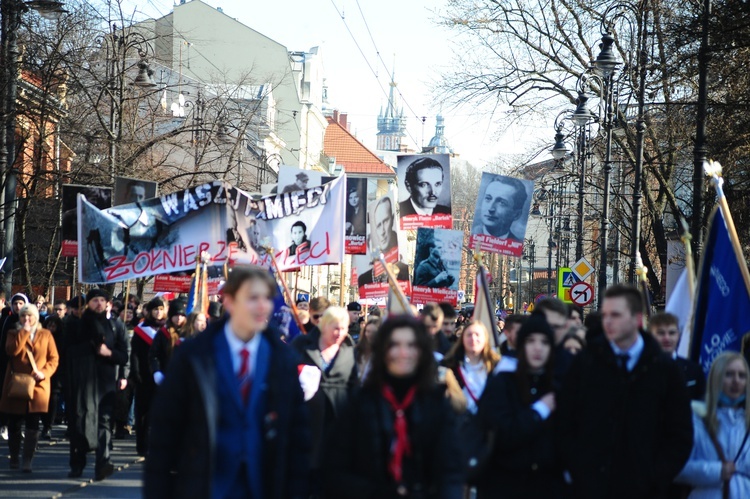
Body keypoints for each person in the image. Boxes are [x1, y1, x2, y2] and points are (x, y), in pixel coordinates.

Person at [144, 266, 311, 498]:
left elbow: (297, 438)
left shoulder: (282, 359)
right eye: (253, 298)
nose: (263, 306)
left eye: (267, 298)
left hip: (263, 486)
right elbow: (165, 433)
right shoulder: (195, 356)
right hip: (206, 484)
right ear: (230, 301)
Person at [557, 284, 694, 499]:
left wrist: (655, 477)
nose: (608, 322)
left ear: (636, 319)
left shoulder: (664, 368)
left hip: (645, 489)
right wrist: (580, 471)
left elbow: (680, 433)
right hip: (590, 488)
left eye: (616, 315)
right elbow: (565, 421)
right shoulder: (586, 362)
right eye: (605, 315)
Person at [323, 314, 463, 498]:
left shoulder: (436, 404)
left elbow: (450, 471)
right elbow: (335, 469)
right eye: (394, 345)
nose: (403, 353)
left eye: (411, 345)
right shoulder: (359, 402)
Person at [476, 312, 563, 498]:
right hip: (504, 486)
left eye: (545, 342)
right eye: (531, 341)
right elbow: (503, 434)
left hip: (546, 487)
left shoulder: (557, 388)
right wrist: (539, 411)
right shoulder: (502, 383)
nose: (538, 348)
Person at [292, 306, 358, 495]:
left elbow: (355, 388)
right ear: (324, 325)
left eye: (344, 328)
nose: (340, 333)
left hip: (337, 426)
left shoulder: (349, 351)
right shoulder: (303, 344)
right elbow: (285, 375)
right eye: (335, 328)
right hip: (306, 423)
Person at [66, 289, 129, 480]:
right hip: (83, 383)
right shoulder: (76, 325)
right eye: (95, 300)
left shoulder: (115, 326)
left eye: (103, 300)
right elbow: (67, 352)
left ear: (108, 303)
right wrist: (90, 348)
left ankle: (103, 463)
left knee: (104, 422)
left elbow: (123, 355)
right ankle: (77, 464)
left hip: (104, 383)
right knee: (80, 422)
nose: (99, 303)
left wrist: (108, 353)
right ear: (88, 304)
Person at [675, 352, 750, 497]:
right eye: (728, 374)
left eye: (742, 375)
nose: (736, 381)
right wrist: (717, 471)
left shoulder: (746, 422)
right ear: (716, 378)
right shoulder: (696, 419)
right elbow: (677, 468)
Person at [0, 304, 58, 472]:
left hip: (38, 386)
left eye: (30, 316)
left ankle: (28, 459)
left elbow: (53, 359)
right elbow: (11, 351)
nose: (27, 319)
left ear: (36, 317)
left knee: (33, 425)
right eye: (24, 316)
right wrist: (24, 333)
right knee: (15, 423)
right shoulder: (13, 333)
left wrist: (44, 373)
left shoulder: (46, 334)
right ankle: (14, 457)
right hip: (17, 383)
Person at [130, 297, 167, 457]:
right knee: (143, 412)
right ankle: (142, 444)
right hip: (144, 376)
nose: (158, 313)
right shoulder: (141, 330)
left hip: (162, 375)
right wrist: (136, 372)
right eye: (155, 309)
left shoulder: (167, 330)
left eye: (161, 309)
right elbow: (135, 353)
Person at [443, 321, 500, 415]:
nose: (473, 338)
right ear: (462, 339)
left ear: (485, 339)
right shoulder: (450, 365)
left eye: (477, 335)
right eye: (469, 335)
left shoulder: (497, 367)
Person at [650, 311, 706, 401]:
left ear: (678, 335)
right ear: (650, 337)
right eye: (661, 333)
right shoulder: (640, 369)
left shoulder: (694, 370)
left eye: (672, 333)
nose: (667, 338)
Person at [0, 293, 29, 441]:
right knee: (6, 394)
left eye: (20, 303)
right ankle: (4, 424)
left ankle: (18, 426)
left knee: (22, 396)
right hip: (6, 363)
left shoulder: (29, 321)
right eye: (15, 303)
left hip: (25, 365)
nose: (18, 306)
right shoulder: (6, 320)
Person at [475, 176, 527, 241]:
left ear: (516, 214)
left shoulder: (516, 243)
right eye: (488, 198)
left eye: (502, 203)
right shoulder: (470, 236)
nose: (491, 209)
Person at [149, 300, 188, 386]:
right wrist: (156, 371)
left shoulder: (188, 333)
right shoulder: (163, 333)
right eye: (176, 315)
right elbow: (154, 355)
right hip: (167, 375)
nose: (179, 318)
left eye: (182, 315)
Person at [41, 315, 64, 439]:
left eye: (53, 326)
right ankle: (45, 423)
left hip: (57, 373)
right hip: (43, 371)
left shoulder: (61, 338)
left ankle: (48, 425)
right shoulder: (42, 336)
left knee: (53, 399)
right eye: (49, 325)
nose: (51, 328)